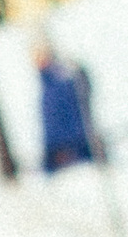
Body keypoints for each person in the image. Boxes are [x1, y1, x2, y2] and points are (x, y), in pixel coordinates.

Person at [36, 40, 100, 173]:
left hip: (75, 150)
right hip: (59, 154)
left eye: (41, 55)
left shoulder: (63, 81)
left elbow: (83, 97)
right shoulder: (46, 84)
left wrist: (68, 148)